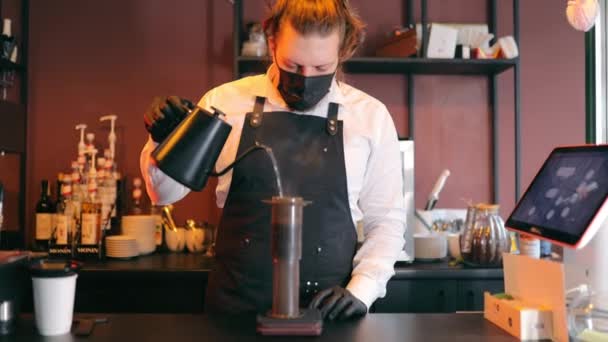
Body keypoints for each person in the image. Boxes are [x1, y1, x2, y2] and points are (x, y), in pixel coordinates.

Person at [140, 0, 406, 320]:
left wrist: (362, 290)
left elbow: (386, 222)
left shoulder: (369, 117)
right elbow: (163, 195)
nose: (306, 79)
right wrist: (162, 138)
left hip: (329, 316)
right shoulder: (225, 103)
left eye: (321, 68)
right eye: (293, 65)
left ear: (344, 50)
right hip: (235, 314)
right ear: (271, 41)